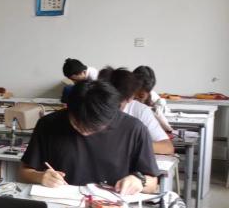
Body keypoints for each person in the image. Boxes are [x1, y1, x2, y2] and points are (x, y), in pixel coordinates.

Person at [20, 80, 159, 194]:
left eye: (94, 127)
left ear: (110, 117)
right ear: (68, 109)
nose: (84, 132)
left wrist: (139, 181)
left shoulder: (134, 129)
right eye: (77, 124)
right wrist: (40, 177)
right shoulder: (48, 124)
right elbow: (24, 171)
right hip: (59, 206)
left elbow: (153, 184)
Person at [99, 67, 174, 155]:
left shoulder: (140, 111)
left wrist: (132, 145)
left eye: (140, 96)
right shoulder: (92, 109)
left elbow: (167, 147)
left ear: (128, 98)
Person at [133, 65, 174, 134]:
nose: (139, 98)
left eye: (141, 96)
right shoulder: (126, 96)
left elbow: (159, 114)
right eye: (139, 95)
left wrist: (166, 126)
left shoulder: (153, 96)